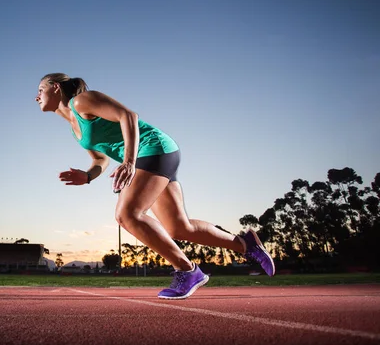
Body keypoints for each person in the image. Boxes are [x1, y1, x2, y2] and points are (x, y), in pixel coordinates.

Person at [35, 73, 275, 300]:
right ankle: (245, 244)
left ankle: (188, 270)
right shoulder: (74, 129)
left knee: (128, 215)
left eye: (40, 89)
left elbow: (129, 116)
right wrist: (87, 176)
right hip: (157, 154)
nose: (37, 96)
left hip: (152, 148)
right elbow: (101, 159)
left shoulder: (81, 101)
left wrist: (129, 162)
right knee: (179, 227)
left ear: (56, 87)